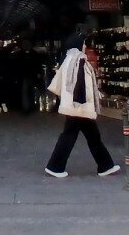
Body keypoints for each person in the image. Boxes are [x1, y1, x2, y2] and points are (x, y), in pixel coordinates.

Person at [44, 32, 120, 179]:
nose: (85, 45)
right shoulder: (78, 60)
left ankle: (105, 165)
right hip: (79, 107)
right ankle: (56, 166)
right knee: (76, 137)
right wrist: (81, 103)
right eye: (84, 43)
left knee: (86, 136)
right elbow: (80, 85)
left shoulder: (69, 59)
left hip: (76, 106)